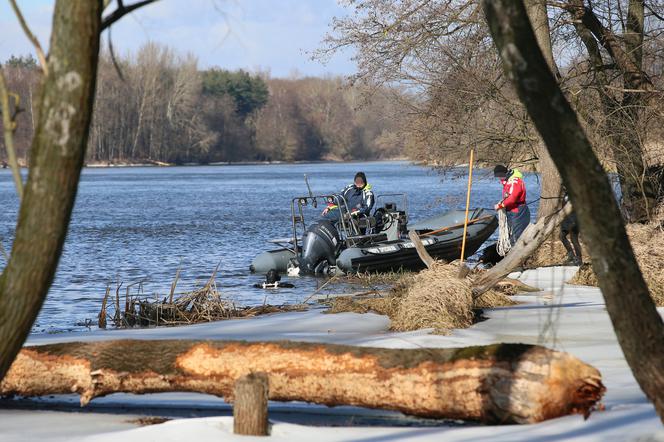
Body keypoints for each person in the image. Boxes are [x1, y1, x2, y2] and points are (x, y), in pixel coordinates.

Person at [493, 165, 531, 246]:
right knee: (511, 233)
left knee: (516, 235)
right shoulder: (507, 180)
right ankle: (511, 250)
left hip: (518, 210)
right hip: (510, 210)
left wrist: (500, 206)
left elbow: (512, 198)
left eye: (500, 176)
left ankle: (518, 253)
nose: (499, 179)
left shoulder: (515, 182)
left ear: (505, 173)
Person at [560, 192, 582, 266]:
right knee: (561, 236)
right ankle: (571, 255)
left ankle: (579, 259)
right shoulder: (566, 194)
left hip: (574, 220)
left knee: (574, 239)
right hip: (566, 220)